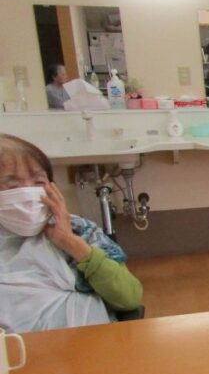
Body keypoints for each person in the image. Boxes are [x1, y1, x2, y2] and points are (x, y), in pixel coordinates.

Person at [0, 135, 143, 332]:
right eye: (13, 186)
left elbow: (129, 297)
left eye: (38, 181)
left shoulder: (79, 230)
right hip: (18, 357)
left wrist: (71, 243)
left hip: (93, 344)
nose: (28, 193)